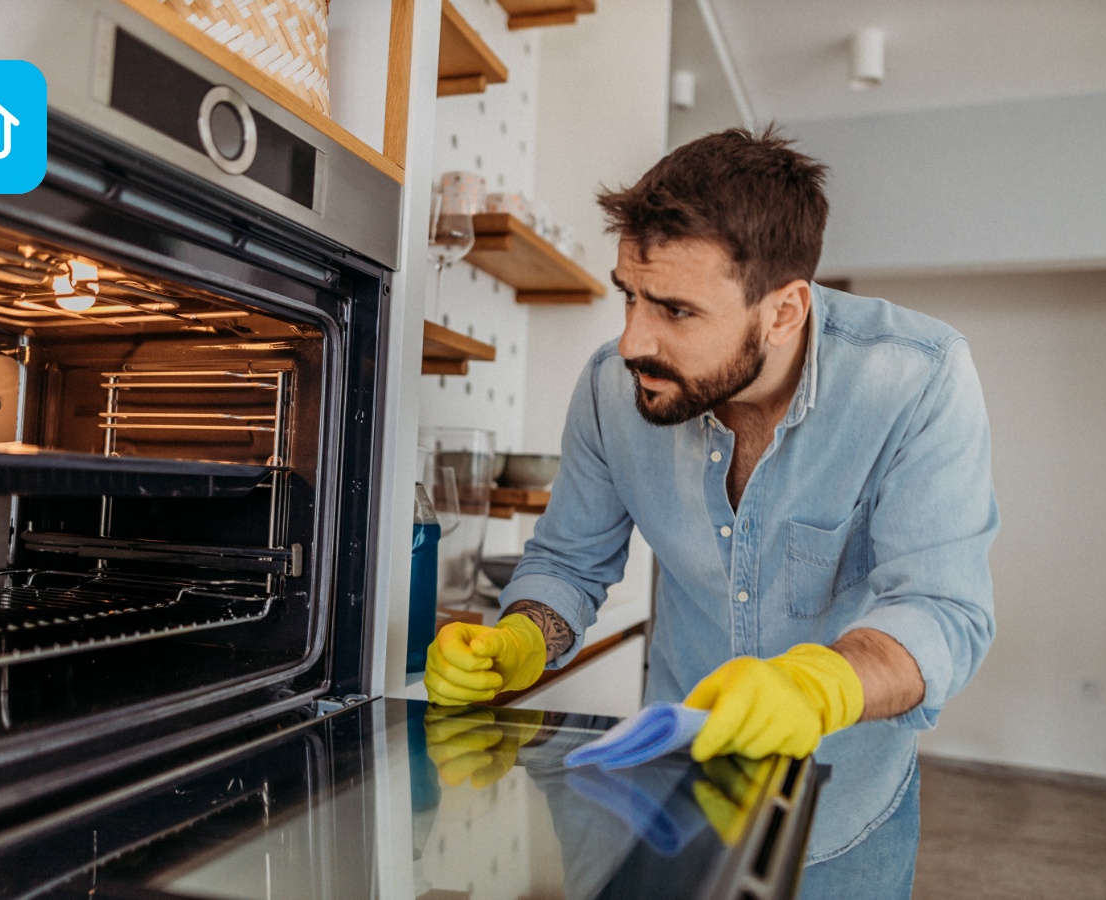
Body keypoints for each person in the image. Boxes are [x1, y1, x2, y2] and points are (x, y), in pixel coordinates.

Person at [423, 126, 998, 898]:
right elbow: (567, 564)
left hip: (843, 810)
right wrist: (525, 635)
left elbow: (942, 608)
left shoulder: (917, 379)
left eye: (676, 310)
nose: (632, 340)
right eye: (628, 294)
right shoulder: (609, 391)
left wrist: (819, 685)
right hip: (667, 796)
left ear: (785, 310)